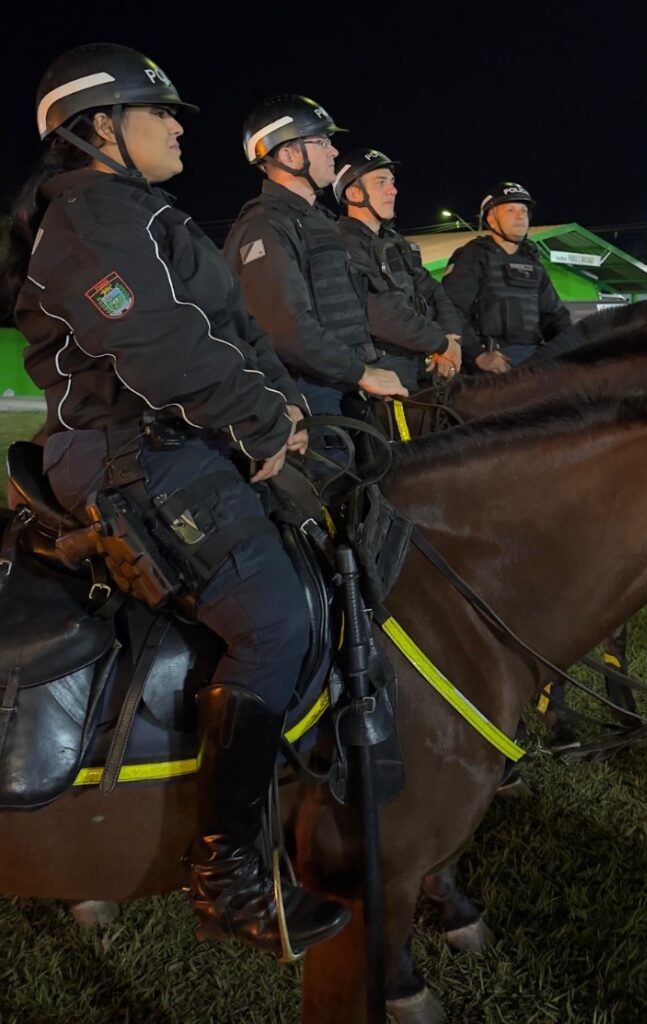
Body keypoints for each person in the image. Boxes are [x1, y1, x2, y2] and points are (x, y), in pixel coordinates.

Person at [7, 43, 349, 956]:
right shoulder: (87, 218)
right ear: (101, 130)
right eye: (158, 112)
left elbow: (231, 330)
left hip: (182, 433)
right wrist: (262, 423)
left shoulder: (138, 212)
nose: (178, 125)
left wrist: (283, 409)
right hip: (125, 453)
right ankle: (228, 872)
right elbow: (154, 345)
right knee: (274, 621)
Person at [224, 96, 408, 423]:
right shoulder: (265, 225)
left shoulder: (318, 220)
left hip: (342, 382)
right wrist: (361, 372)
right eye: (322, 142)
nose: (334, 151)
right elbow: (283, 327)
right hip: (309, 394)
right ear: (289, 155)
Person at [333, 148, 463, 392]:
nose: (393, 190)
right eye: (381, 183)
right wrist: (441, 343)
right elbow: (380, 313)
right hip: (380, 367)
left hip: (420, 359)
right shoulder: (341, 242)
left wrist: (450, 338)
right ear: (353, 193)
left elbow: (435, 291)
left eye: (392, 182)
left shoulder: (396, 243)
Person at [442, 182, 572, 372]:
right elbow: (449, 309)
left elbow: (555, 316)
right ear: (492, 219)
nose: (520, 216)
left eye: (524, 211)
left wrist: (574, 347)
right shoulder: (473, 255)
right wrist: (478, 355)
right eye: (511, 210)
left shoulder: (533, 261)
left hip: (532, 363)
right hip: (487, 368)